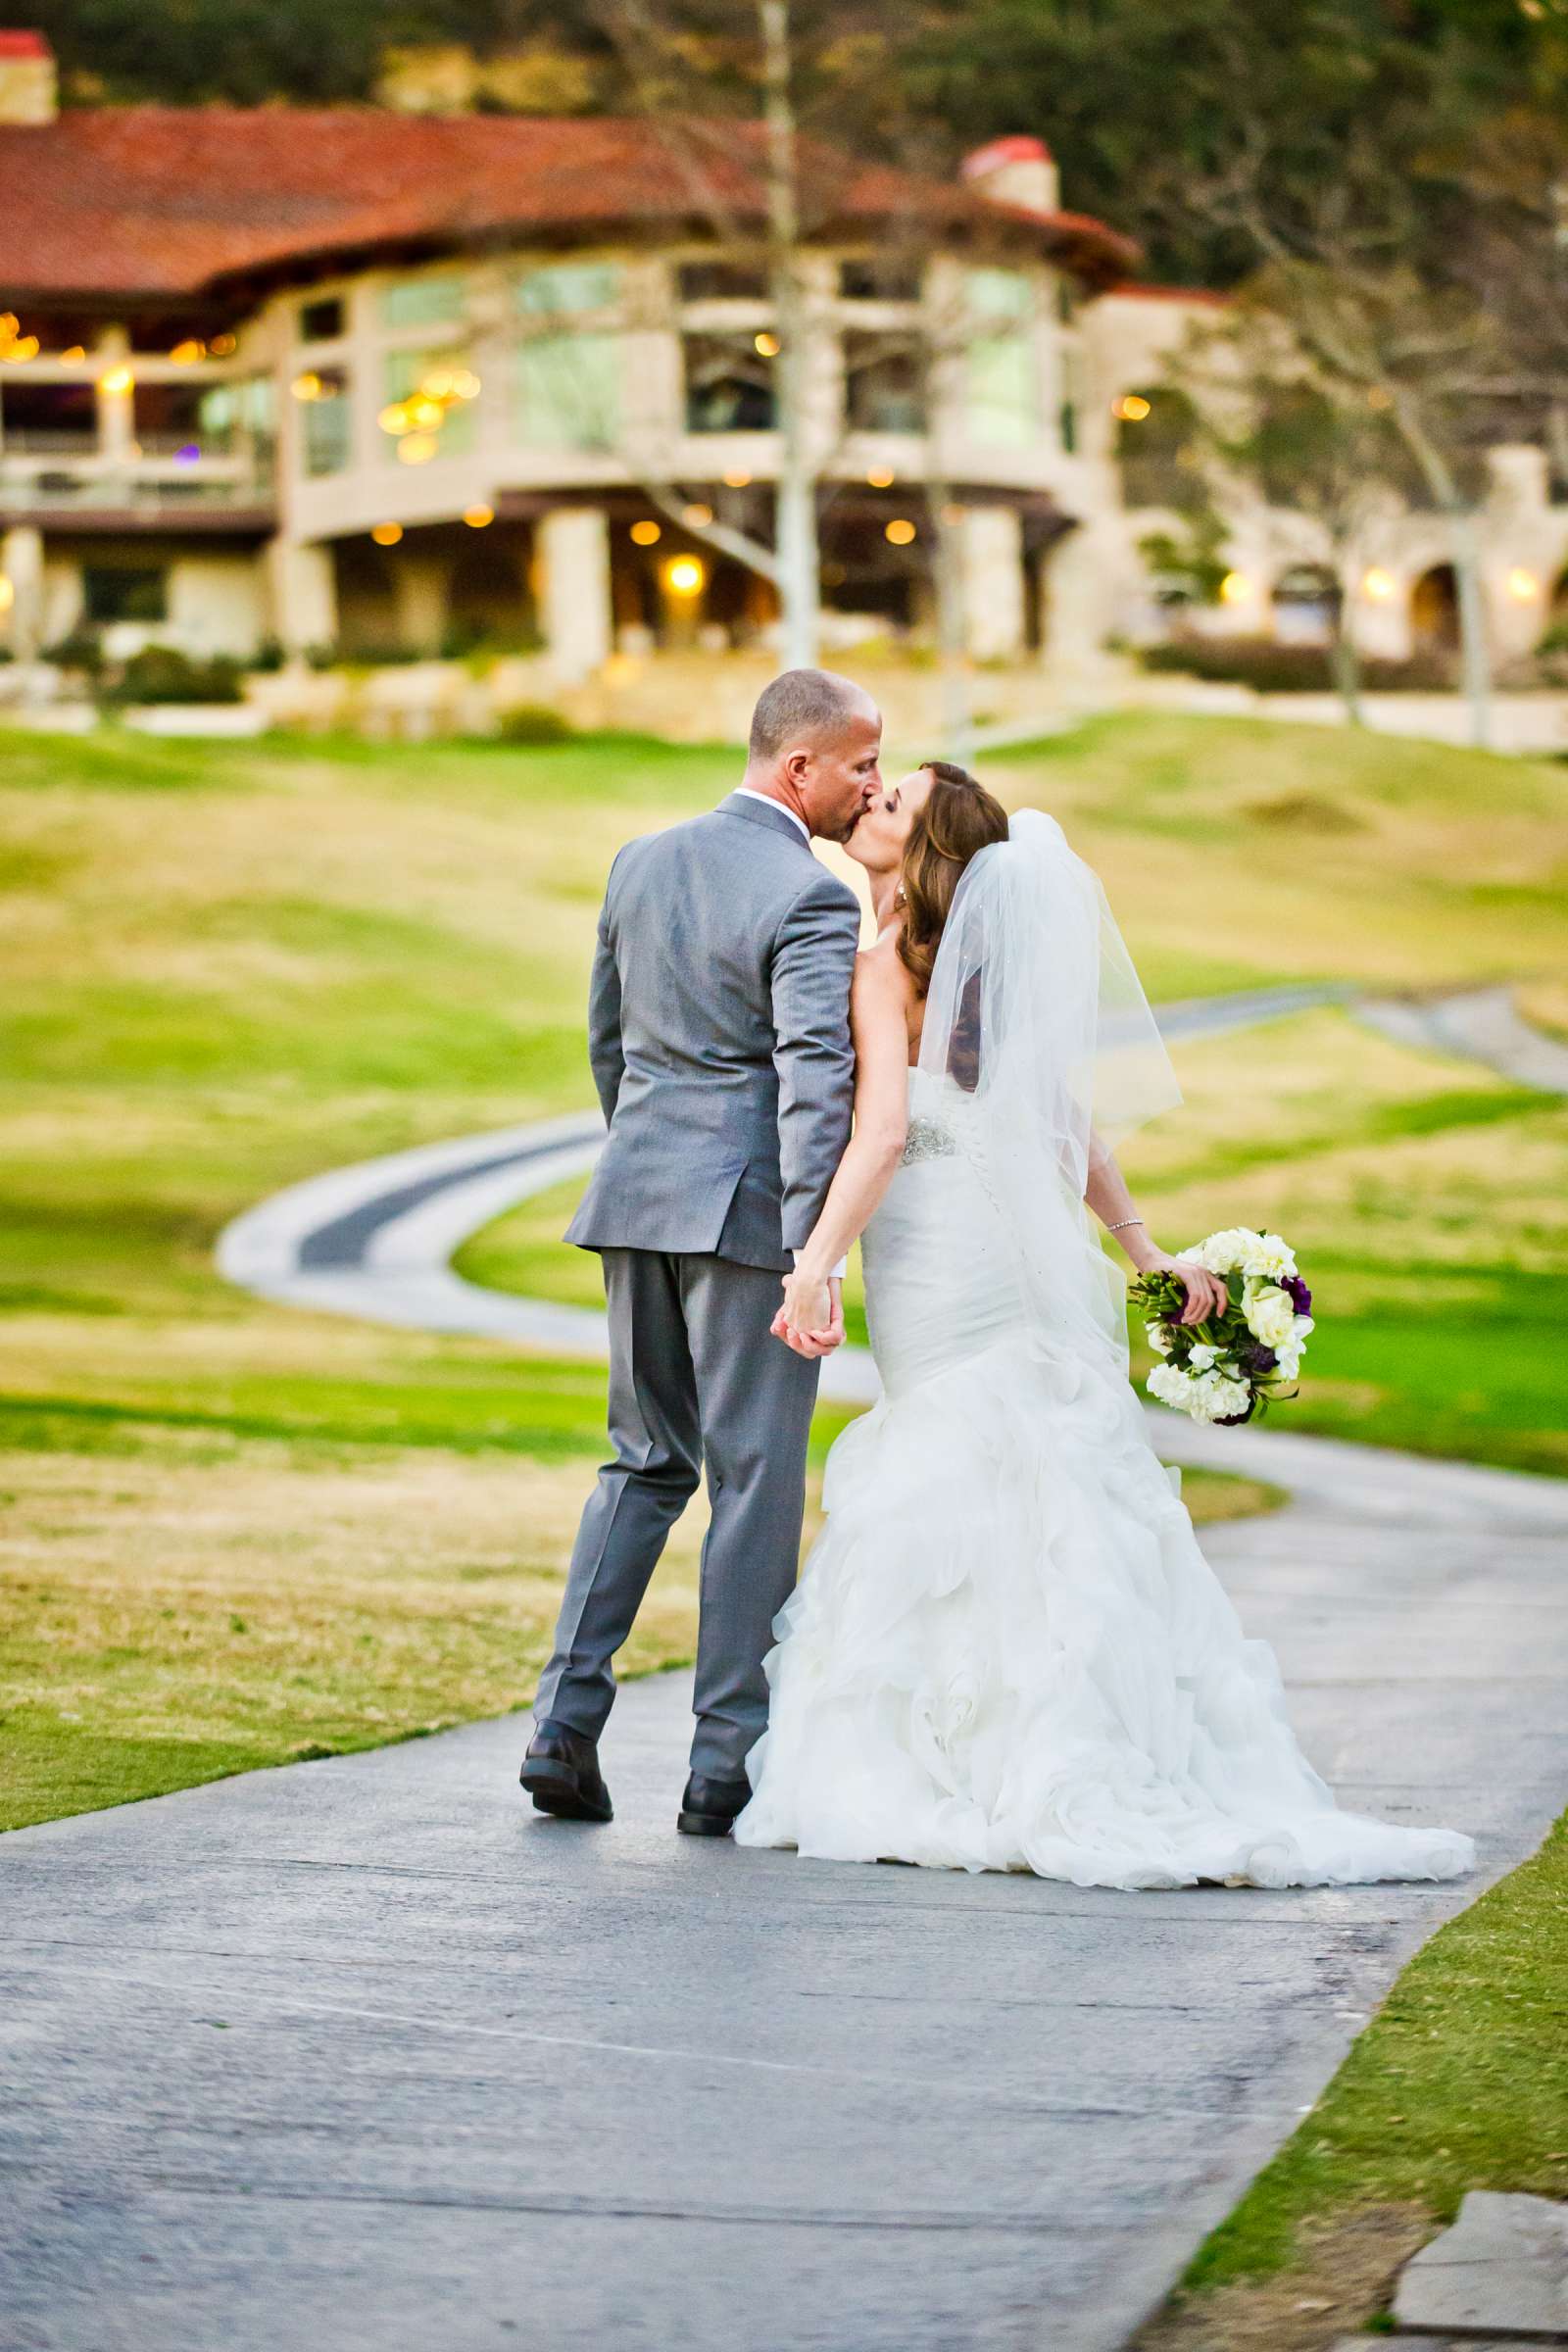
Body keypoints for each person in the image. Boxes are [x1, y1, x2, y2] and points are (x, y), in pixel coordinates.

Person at [736, 762, 1475, 1889]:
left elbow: (881, 1136)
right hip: (1012, 1259)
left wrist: (813, 1265)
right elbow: (1067, 1125)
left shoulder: (881, 964)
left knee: (954, 1457)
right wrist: (1140, 1248)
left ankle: (976, 1764)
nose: (872, 805)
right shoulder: (988, 978)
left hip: (938, 1258)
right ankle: (1066, 1739)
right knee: (1038, 1462)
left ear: (928, 853)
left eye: (894, 804)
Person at [520, 668, 881, 1837]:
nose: (870, 786)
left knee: (639, 1462)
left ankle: (560, 1728)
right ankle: (724, 1764)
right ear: (799, 768)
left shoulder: (641, 861)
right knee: (755, 1481)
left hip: (637, 1197)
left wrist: (651, 1159)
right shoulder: (811, 899)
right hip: (749, 1221)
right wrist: (808, 1252)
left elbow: (608, 1043)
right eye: (860, 765)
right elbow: (815, 1083)